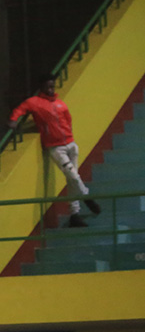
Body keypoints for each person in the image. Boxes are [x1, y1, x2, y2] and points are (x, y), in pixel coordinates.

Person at [8, 74, 101, 227]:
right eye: (48, 87)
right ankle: (87, 197)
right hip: (56, 147)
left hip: (70, 144)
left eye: (53, 86)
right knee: (74, 176)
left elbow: (68, 120)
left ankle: (74, 215)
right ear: (42, 87)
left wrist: (69, 136)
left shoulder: (60, 104)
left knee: (72, 179)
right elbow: (21, 109)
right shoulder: (35, 102)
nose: (51, 90)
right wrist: (13, 119)